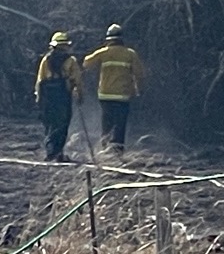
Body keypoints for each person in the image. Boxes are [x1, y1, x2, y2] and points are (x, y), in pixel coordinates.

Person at [85, 23, 147, 152]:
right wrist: (138, 89)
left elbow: (86, 63)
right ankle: (117, 150)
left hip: (105, 95)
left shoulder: (103, 52)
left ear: (108, 39)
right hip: (122, 95)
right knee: (120, 124)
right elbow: (140, 74)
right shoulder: (130, 54)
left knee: (106, 123)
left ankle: (105, 147)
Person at [35, 31, 84, 162]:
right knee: (62, 124)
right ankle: (56, 152)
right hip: (63, 96)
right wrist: (80, 95)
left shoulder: (46, 60)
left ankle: (51, 151)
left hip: (48, 97)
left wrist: (38, 98)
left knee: (50, 123)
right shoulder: (71, 61)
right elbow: (77, 80)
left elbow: (40, 81)